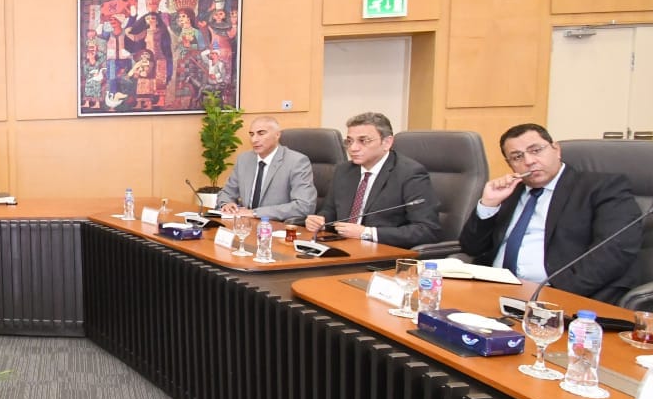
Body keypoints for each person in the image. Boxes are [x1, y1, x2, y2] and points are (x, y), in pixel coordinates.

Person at [458, 123, 642, 301]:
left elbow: (614, 252)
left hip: (561, 295)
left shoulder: (602, 188)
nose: (529, 161)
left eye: (536, 150)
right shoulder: (509, 191)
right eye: (517, 157)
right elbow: (471, 248)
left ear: (556, 149)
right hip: (494, 292)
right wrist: (489, 204)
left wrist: (551, 295)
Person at [305, 112, 441, 247]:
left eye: (363, 141)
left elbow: (426, 231)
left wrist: (367, 233)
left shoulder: (410, 173)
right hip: (343, 246)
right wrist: (320, 221)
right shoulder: (344, 170)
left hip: (384, 251)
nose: (353, 148)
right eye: (349, 141)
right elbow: (330, 211)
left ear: (387, 142)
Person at [218, 116, 317, 223]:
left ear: (277, 135)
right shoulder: (244, 159)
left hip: (276, 226)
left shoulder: (296, 162)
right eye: (251, 134)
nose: (254, 140)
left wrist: (255, 213)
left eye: (261, 133)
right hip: (245, 224)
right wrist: (226, 204)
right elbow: (227, 193)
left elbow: (304, 206)